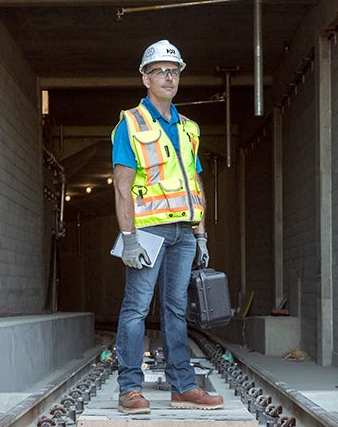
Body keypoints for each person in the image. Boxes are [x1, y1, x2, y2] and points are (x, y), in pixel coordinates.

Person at [111, 39, 224, 414]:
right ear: (145, 78)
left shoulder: (189, 128)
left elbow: (196, 183)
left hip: (183, 234)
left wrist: (201, 232)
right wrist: (128, 239)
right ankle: (130, 389)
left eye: (173, 71)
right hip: (147, 232)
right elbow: (122, 184)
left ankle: (183, 387)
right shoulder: (130, 123)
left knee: (176, 311)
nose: (168, 77)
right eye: (159, 71)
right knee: (136, 310)